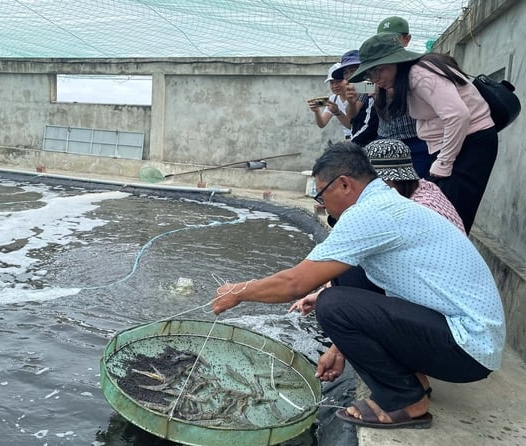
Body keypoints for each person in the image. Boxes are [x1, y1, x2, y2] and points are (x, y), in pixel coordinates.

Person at [213, 142, 505, 430]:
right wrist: (341, 348)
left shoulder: (370, 213)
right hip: (467, 339)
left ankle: (406, 400)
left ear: (343, 184)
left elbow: (295, 283)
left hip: (467, 347)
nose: (321, 204)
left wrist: (238, 292)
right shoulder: (386, 203)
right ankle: (412, 381)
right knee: (345, 279)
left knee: (333, 304)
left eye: (321, 195)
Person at [288, 138, 464, 312]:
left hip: (437, 306)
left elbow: (298, 281)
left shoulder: (398, 211)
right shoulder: (426, 190)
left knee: (343, 283)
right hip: (437, 296)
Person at [349, 33, 498, 232]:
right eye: (370, 74)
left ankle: (450, 258)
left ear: (396, 61)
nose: (376, 79)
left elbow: (457, 115)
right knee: (438, 210)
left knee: (451, 216)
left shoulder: (419, 75)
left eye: (379, 70)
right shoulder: (404, 80)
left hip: (471, 143)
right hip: (454, 144)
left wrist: (444, 162)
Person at [374, 17, 435, 178]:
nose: (388, 43)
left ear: (406, 39)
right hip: (385, 139)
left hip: (416, 140)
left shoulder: (416, 69)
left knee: (415, 189)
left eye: (393, 38)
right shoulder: (376, 67)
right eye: (383, 39)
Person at [331, 50, 378, 146]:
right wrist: (351, 103)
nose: (348, 76)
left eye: (353, 70)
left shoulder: (377, 85)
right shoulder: (359, 90)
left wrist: (352, 144)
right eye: (345, 72)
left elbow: (369, 125)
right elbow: (351, 115)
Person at [308, 62, 352, 140]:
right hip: (349, 140)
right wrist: (316, 111)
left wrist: (337, 112)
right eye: (332, 83)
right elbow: (322, 124)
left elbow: (352, 126)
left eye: (339, 81)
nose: (335, 86)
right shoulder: (333, 99)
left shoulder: (357, 96)